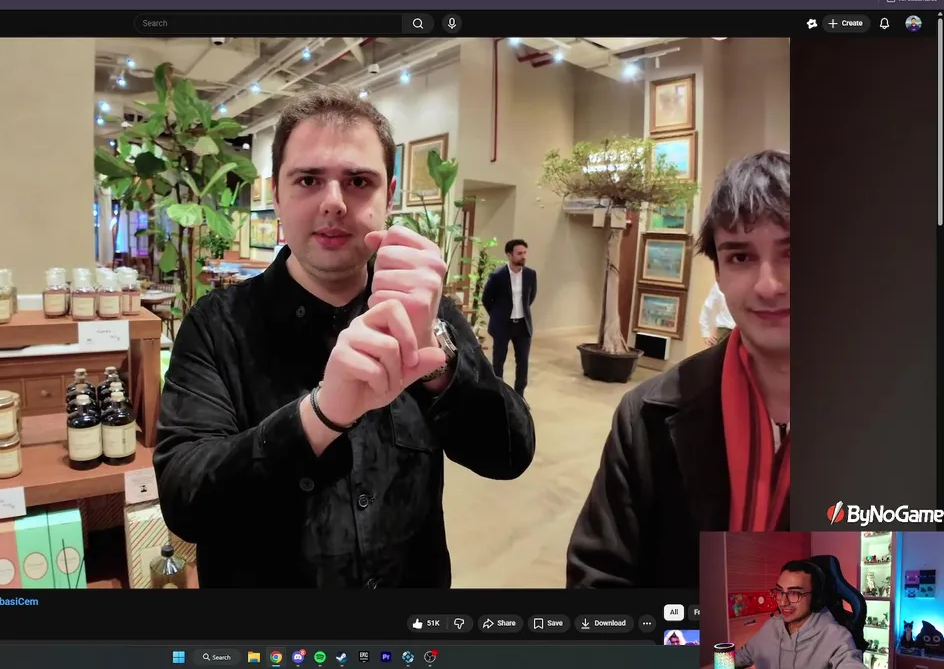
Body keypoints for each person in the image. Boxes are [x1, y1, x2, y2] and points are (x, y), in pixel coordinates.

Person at [153, 86, 536, 588]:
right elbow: (184, 500)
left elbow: (510, 455)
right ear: (276, 195)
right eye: (308, 180)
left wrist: (440, 363)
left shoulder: (428, 312)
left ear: (388, 196)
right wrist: (319, 416)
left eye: (358, 181)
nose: (333, 203)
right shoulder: (217, 324)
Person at [566, 150, 791, 588]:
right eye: (740, 257)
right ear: (719, 274)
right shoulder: (646, 414)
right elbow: (597, 576)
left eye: (792, 252)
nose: (768, 285)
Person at [734, 560, 864, 669]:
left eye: (794, 593)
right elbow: (739, 658)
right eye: (779, 591)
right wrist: (723, 657)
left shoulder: (836, 637)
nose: (783, 602)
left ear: (816, 598)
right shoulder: (771, 626)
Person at [481, 239, 537, 396]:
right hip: (503, 325)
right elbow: (486, 299)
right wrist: (498, 315)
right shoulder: (497, 276)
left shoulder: (530, 275)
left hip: (522, 325)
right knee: (498, 361)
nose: (523, 256)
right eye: (519, 253)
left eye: (524, 253)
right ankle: (498, 394)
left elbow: (531, 297)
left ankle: (520, 396)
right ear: (509, 255)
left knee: (523, 362)